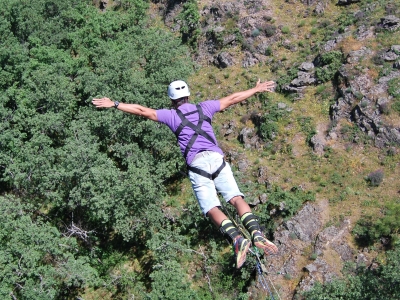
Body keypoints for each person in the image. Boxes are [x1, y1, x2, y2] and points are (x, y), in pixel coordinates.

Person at [92, 79, 278, 268]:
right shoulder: (205, 107)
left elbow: (142, 110)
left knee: (212, 208)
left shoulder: (170, 116)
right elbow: (232, 98)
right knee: (236, 198)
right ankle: (256, 233)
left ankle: (237, 239)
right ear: (188, 95)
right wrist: (255, 89)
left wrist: (114, 104)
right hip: (216, 158)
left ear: (172, 100)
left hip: (197, 164)